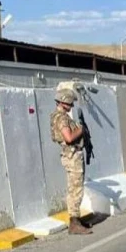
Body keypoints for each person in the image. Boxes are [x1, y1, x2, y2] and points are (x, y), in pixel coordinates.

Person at [49, 89, 92, 235]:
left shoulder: (58, 116)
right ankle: (74, 223)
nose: (72, 106)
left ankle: (76, 219)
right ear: (63, 102)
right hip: (72, 156)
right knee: (76, 189)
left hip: (71, 155)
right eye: (70, 103)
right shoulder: (62, 118)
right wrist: (81, 129)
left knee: (74, 188)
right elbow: (69, 138)